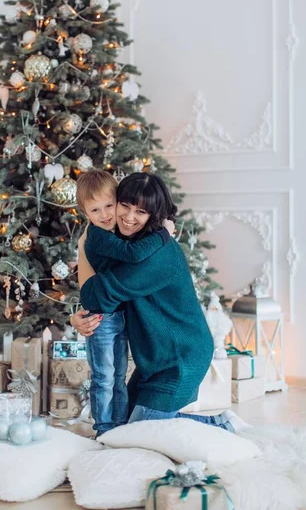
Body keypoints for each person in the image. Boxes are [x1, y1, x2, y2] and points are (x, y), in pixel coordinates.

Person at [72, 172, 249, 433]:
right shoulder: (128, 242)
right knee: (123, 427)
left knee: (138, 432)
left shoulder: (155, 254)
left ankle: (221, 425)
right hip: (154, 360)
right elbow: (104, 293)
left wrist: (81, 245)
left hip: (178, 359)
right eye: (125, 206)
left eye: (140, 211)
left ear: (153, 215)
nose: (129, 217)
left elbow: (95, 294)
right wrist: (80, 316)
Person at [76, 170, 174, 437]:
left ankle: (118, 426)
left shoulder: (118, 231)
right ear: (85, 214)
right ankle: (104, 428)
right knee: (105, 377)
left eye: (110, 205)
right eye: (95, 210)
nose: (105, 214)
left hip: (118, 315)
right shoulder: (98, 236)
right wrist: (165, 232)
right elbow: (132, 255)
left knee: (118, 376)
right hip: (101, 317)